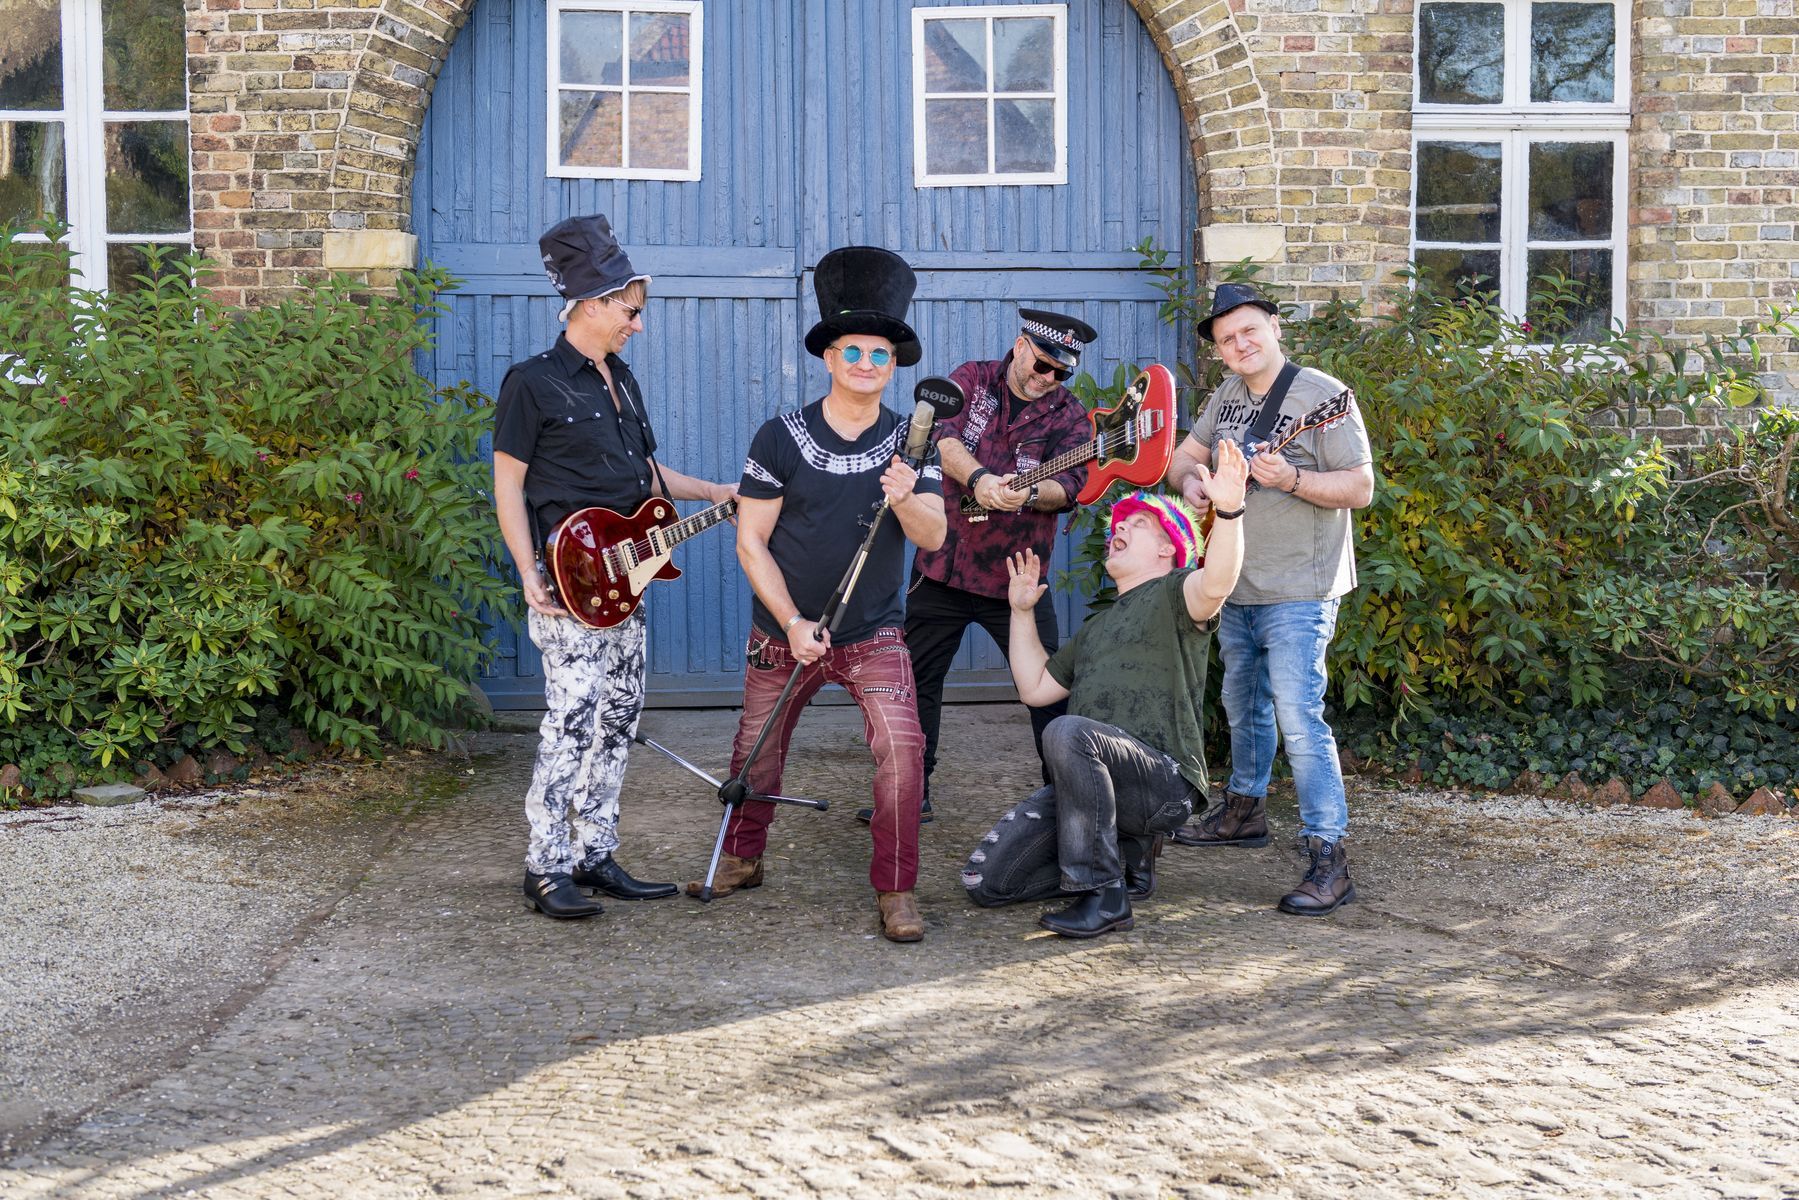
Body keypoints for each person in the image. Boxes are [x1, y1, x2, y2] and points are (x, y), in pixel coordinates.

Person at [688, 246, 948, 944]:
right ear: (829, 358)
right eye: (852, 350)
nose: (866, 362)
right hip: (784, 635)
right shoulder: (780, 437)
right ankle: (742, 857)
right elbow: (751, 541)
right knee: (757, 750)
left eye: (879, 354)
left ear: (893, 365)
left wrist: (906, 497)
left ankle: (896, 889)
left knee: (903, 753)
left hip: (874, 634)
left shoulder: (913, 441)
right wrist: (793, 621)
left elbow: (932, 536)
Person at [493, 214, 737, 920]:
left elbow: (646, 475)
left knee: (619, 715)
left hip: (626, 581)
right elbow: (508, 485)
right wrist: (525, 569)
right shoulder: (532, 383)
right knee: (571, 719)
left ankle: (593, 853)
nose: (637, 324)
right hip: (567, 584)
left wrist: (714, 492)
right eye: (628, 311)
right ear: (592, 304)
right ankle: (545, 867)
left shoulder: (621, 379)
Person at [960, 443, 1249, 938]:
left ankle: (1103, 895)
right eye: (1120, 523)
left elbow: (1218, 581)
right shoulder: (1095, 628)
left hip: (1163, 783)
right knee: (987, 882)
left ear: (1167, 548)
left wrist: (1229, 511)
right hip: (1094, 787)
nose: (1121, 527)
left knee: (1065, 731)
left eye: (1138, 523)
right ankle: (1125, 861)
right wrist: (1021, 612)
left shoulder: (1179, 591)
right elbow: (1034, 688)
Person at [1163, 283, 1375, 917]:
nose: (1240, 344)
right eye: (1227, 339)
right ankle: (1244, 810)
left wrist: (1294, 478)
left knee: (1300, 720)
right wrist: (1193, 483)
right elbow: (1181, 460)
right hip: (1235, 583)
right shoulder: (1227, 397)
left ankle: (1329, 857)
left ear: (1276, 328)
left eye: (1249, 330)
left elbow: (1360, 487)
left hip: (1300, 589)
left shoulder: (1323, 396)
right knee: (1242, 705)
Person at [865, 309, 1096, 827]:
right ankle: (911, 793)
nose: (1047, 378)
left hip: (1018, 578)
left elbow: (1072, 486)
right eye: (1041, 365)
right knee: (916, 683)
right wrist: (980, 479)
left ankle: (1069, 802)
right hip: (942, 564)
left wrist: (1030, 493)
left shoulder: (1072, 417)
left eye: (1060, 372)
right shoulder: (972, 378)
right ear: (1020, 346)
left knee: (1049, 689)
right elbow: (941, 438)